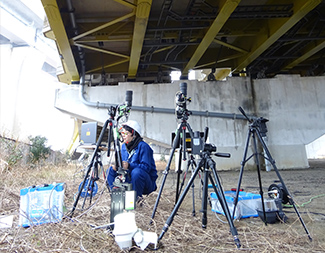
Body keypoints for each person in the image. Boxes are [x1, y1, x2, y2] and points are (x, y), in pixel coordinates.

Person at [107, 120, 158, 199]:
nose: (123, 136)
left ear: (134, 134)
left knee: (136, 172)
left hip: (144, 182)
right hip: (129, 178)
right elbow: (123, 164)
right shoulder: (124, 147)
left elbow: (147, 167)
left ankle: (135, 199)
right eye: (122, 133)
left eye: (126, 133)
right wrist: (118, 166)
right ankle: (116, 197)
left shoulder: (144, 147)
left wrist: (130, 165)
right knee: (110, 171)